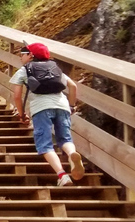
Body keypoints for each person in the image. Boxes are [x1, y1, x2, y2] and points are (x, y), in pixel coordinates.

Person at [10, 42, 84, 186]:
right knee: (65, 139)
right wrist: (72, 106)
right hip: (62, 105)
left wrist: (21, 114)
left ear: (30, 55)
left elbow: (17, 96)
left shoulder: (24, 70)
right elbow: (73, 86)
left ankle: (62, 176)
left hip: (41, 108)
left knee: (44, 145)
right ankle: (71, 155)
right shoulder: (54, 68)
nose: (20, 57)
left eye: (22, 54)